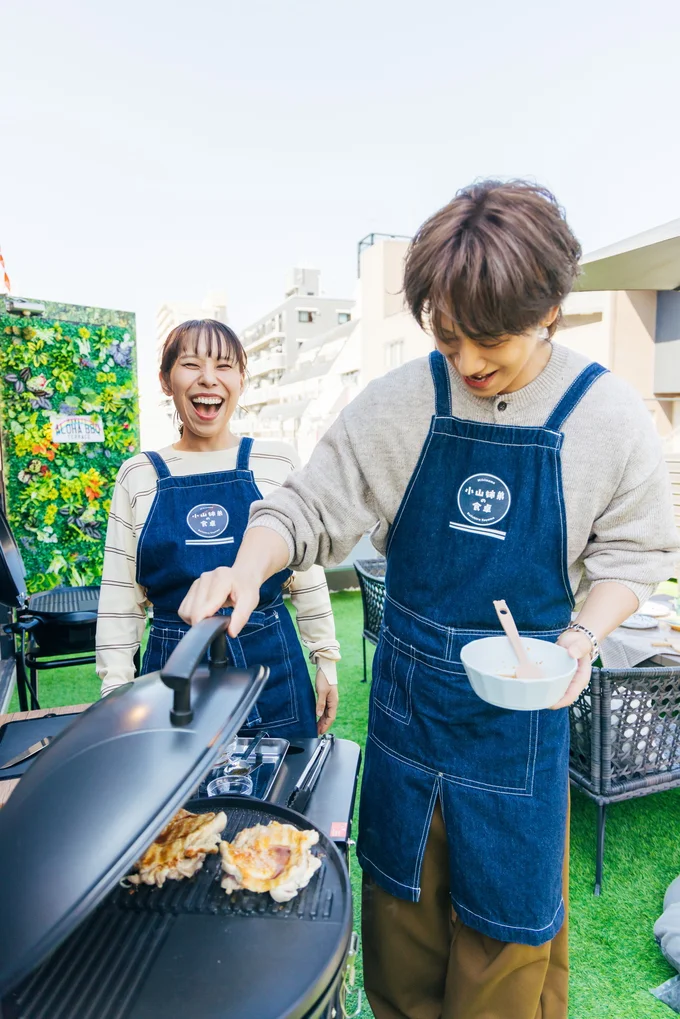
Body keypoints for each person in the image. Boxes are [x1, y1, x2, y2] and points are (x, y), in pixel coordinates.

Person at [177, 182, 680, 1018]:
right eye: (447, 339)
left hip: (520, 727)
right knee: (401, 952)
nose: (469, 363)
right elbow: (305, 507)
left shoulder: (611, 418)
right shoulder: (405, 401)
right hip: (411, 720)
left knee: (506, 963)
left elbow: (636, 554)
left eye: (491, 342)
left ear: (551, 308)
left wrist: (584, 637)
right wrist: (247, 564)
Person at [96, 318, 340, 738]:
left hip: (272, 667)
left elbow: (306, 571)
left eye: (225, 366)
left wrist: (326, 659)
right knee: (183, 802)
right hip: (175, 670)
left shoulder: (276, 460)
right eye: (191, 364)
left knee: (279, 792)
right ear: (166, 380)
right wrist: (115, 691)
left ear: (241, 380)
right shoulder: (137, 475)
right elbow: (121, 598)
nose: (208, 379)